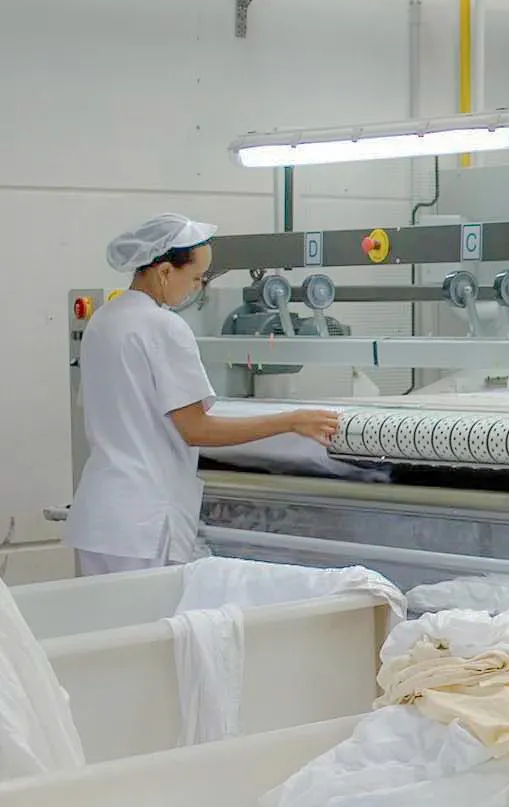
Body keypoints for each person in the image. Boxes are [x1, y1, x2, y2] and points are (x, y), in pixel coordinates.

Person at [65, 213, 341, 576]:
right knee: (147, 629)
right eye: (195, 277)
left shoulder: (103, 320)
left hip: (100, 516)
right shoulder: (164, 326)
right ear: (165, 271)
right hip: (143, 522)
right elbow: (197, 430)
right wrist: (291, 421)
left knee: (109, 630)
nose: (198, 288)